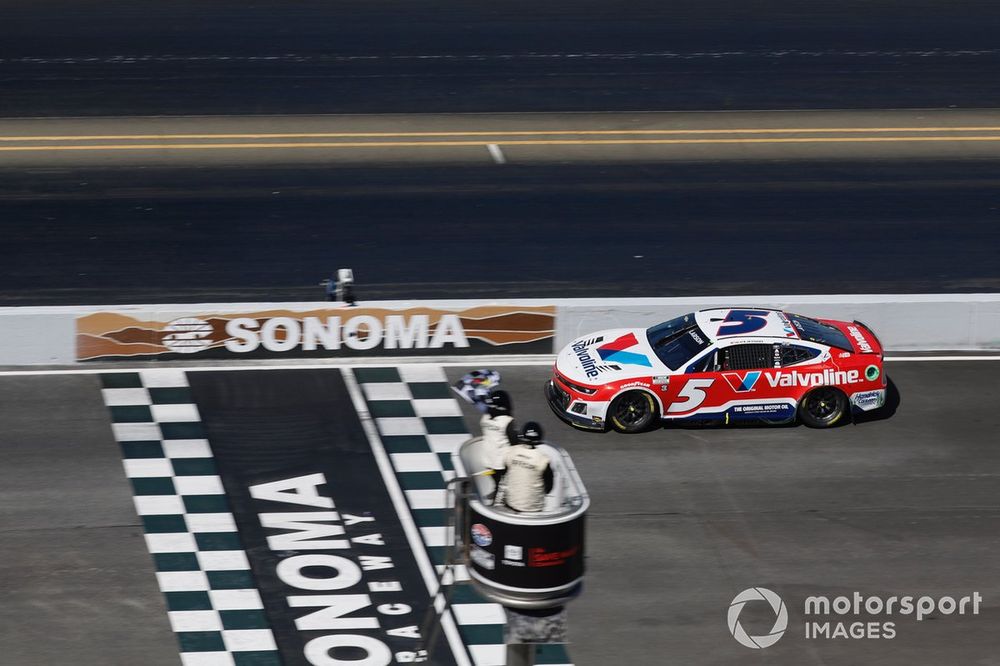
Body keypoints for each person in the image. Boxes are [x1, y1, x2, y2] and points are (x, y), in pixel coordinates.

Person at [501, 421, 554, 513]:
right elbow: (549, 488)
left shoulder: (511, 452)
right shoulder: (543, 459)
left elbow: (505, 471)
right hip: (533, 510)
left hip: (511, 505)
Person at [480, 390, 514, 504]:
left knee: (496, 481)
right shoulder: (507, 422)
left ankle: (495, 493)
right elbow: (515, 442)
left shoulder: (484, 419)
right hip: (501, 462)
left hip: (487, 459)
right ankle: (499, 501)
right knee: (505, 483)